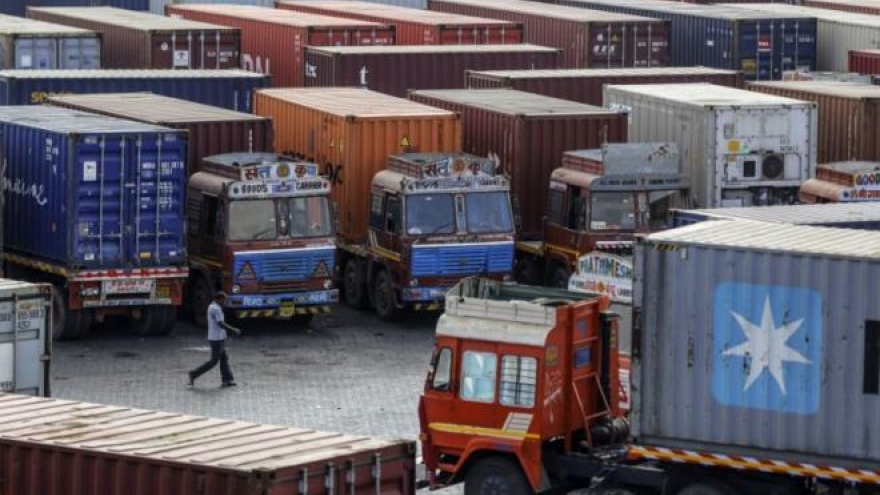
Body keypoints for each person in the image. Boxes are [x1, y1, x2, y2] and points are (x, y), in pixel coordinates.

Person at [188, 291, 242, 388]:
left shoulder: (212, 306)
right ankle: (194, 373)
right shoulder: (215, 309)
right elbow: (220, 323)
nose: (225, 302)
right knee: (213, 361)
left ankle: (227, 380)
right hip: (216, 339)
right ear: (219, 299)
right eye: (224, 300)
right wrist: (233, 330)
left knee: (224, 358)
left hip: (218, 337)